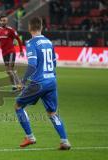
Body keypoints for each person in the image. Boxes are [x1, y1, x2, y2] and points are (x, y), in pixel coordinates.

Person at [14, 17, 71, 150]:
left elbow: (32, 64)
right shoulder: (49, 42)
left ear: (29, 28)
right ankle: (65, 141)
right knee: (52, 113)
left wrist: (22, 82)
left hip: (39, 82)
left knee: (18, 106)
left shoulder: (31, 43)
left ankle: (30, 137)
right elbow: (54, 63)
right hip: (51, 81)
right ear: (42, 27)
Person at [0, 14, 24, 92]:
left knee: (9, 70)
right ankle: (14, 86)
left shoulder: (11, 30)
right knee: (8, 71)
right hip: (4, 53)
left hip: (11, 52)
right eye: (2, 20)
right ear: (0, 21)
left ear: (7, 21)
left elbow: (18, 39)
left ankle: (19, 85)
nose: (3, 22)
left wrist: (21, 50)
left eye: (5, 20)